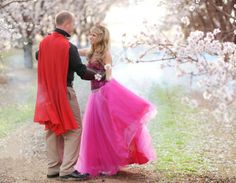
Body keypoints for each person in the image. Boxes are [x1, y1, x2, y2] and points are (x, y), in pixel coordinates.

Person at [74, 25, 157, 177]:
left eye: (94, 35)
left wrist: (104, 76)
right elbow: (74, 51)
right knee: (95, 129)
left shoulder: (105, 54)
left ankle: (109, 163)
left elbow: (109, 74)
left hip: (103, 94)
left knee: (106, 128)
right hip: (94, 95)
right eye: (90, 34)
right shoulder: (90, 51)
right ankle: (98, 162)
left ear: (101, 37)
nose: (91, 37)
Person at [34, 11, 104, 180]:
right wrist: (99, 75)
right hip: (64, 92)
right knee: (74, 129)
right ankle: (67, 170)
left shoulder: (43, 43)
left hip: (46, 93)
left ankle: (53, 168)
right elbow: (81, 72)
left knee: (52, 128)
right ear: (66, 24)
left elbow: (38, 57)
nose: (73, 28)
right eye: (72, 25)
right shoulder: (68, 46)